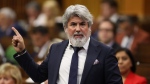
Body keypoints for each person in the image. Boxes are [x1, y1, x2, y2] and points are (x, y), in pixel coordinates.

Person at [12, 4, 122, 84]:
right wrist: (22, 52)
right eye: (73, 24)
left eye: (82, 24)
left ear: (89, 27)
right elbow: (38, 76)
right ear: (65, 28)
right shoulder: (56, 49)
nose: (78, 29)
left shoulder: (105, 52)